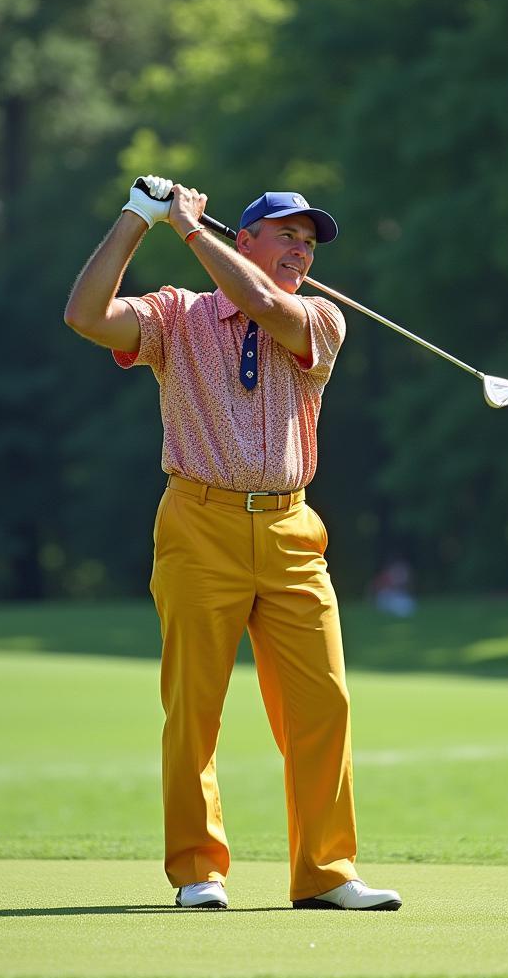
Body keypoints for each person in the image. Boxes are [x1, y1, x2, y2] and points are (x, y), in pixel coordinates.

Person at [63, 176, 402, 912]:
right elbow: (85, 315)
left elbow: (263, 306)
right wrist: (136, 218)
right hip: (197, 523)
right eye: (287, 236)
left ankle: (325, 872)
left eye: (308, 244)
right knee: (195, 707)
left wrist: (189, 232)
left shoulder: (318, 317)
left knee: (325, 704)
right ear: (244, 238)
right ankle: (196, 870)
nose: (300, 253)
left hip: (289, 530)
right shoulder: (176, 315)